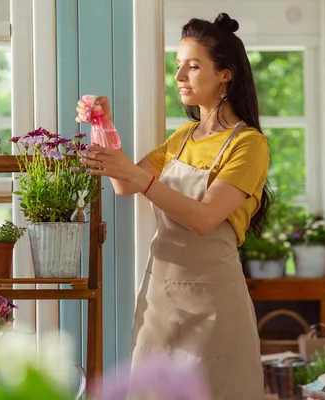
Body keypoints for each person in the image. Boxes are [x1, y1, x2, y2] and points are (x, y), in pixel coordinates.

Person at [76, 12, 270, 399]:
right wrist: (104, 125)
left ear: (225, 75)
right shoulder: (182, 137)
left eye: (193, 66)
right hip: (161, 300)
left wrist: (136, 175)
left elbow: (203, 218)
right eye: (178, 65)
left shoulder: (249, 145)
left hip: (214, 308)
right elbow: (123, 184)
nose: (180, 76)